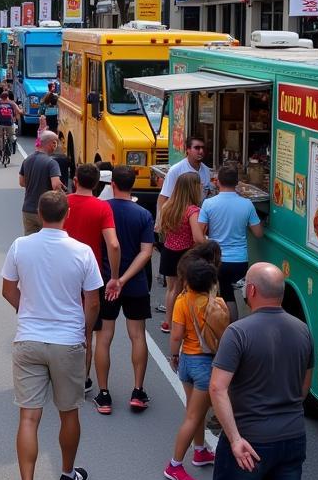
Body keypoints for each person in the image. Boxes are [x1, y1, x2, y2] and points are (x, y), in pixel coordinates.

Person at [170, 263, 314, 480]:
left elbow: (218, 388)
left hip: (249, 440)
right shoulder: (303, 331)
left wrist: (233, 438)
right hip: (292, 436)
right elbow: (304, 387)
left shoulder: (238, 333)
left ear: (251, 291)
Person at [2, 190, 103, 480]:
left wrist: (27, 312)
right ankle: (66, 474)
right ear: (67, 215)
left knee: (28, 418)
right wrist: (84, 332)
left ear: (40, 214)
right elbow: (92, 301)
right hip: (67, 341)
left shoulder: (20, 246)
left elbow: (7, 289)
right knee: (69, 412)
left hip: (29, 339)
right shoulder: (82, 252)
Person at [92, 164, 155, 415]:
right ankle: (138, 391)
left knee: (104, 336)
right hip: (136, 283)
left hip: (106, 281)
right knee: (137, 335)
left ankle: (104, 394)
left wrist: (114, 279)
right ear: (133, 184)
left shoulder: (103, 210)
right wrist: (126, 279)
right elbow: (147, 252)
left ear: (112, 185)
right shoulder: (143, 214)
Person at [164, 257, 227, 480]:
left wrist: (174, 356)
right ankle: (174, 465)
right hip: (205, 365)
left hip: (187, 362)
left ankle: (200, 451)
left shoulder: (182, 300)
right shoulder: (216, 304)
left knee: (194, 412)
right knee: (193, 416)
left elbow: (176, 335)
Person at [65, 164, 121, 395]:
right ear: (98, 183)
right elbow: (114, 244)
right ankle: (83, 379)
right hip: (90, 275)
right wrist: (115, 277)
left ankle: (59, 374)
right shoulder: (102, 207)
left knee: (62, 324)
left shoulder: (63, 202)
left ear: (75, 180)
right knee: (86, 332)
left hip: (63, 273)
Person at [199, 163, 264, 321]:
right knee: (243, 297)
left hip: (217, 259)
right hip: (240, 260)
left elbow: (199, 232)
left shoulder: (208, 204)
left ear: (218, 181)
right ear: (238, 183)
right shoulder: (247, 204)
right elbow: (258, 233)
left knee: (225, 297)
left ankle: (226, 332)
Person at [156, 171, 206, 334]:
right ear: (193, 188)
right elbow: (198, 238)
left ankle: (167, 322)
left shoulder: (169, 206)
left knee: (171, 290)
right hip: (185, 254)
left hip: (169, 251)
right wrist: (208, 243)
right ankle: (179, 323)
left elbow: (162, 229)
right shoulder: (192, 210)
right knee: (183, 291)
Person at [157, 137, 213, 224]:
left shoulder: (206, 171)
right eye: (197, 148)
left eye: (203, 148)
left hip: (198, 220)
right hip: (178, 221)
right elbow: (164, 197)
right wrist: (159, 221)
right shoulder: (176, 170)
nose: (201, 151)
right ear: (188, 150)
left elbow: (207, 194)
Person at [18, 131, 63, 234]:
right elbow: (56, 185)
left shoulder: (27, 160)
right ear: (51, 143)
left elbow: (21, 182)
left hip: (27, 210)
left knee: (31, 244)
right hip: (45, 211)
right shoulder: (52, 163)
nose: (55, 146)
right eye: (55, 143)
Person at [0, 89, 20, 157]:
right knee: (11, 135)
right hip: (9, 123)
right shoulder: (12, 103)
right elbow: (18, 113)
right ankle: (11, 143)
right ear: (7, 97)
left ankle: (0, 149)